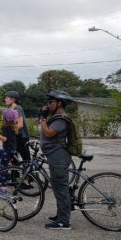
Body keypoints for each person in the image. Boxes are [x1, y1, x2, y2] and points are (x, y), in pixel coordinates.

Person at [38, 90, 75, 230]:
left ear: (59, 103)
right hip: (54, 155)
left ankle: (64, 222)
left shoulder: (60, 119)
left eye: (50, 102)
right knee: (58, 187)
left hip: (58, 156)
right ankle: (61, 214)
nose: (48, 105)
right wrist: (43, 115)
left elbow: (48, 132)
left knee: (61, 188)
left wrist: (42, 119)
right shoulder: (55, 117)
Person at [4, 90, 31, 163]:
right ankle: (15, 174)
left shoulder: (17, 108)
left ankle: (30, 173)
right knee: (14, 159)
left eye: (7, 98)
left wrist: (9, 128)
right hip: (14, 137)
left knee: (26, 159)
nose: (5, 99)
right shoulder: (9, 109)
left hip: (21, 137)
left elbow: (20, 124)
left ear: (13, 99)